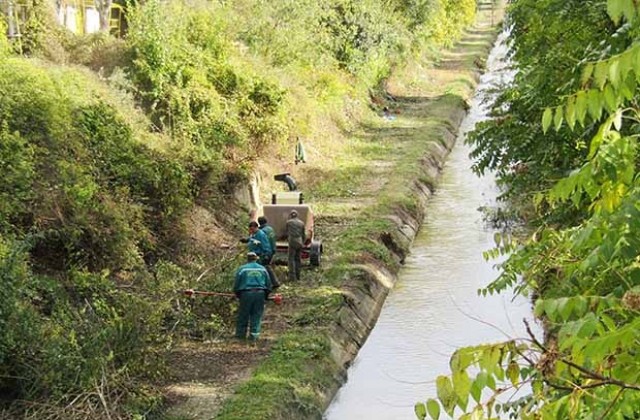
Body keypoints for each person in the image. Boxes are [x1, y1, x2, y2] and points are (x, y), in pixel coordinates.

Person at [233, 252, 272, 340]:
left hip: (246, 294)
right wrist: (266, 295)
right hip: (260, 293)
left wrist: (237, 294)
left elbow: (236, 284)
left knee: (243, 314)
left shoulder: (242, 269)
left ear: (247, 259)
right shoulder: (262, 269)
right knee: (256, 315)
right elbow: (268, 284)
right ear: (256, 258)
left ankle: (240, 335)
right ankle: (254, 336)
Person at [258, 216, 280, 289]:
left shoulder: (262, 231)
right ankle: (273, 282)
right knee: (267, 266)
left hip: (267, 251)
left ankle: (271, 283)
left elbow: (263, 242)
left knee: (265, 266)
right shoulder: (270, 229)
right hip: (272, 249)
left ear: (259, 223)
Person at [286, 210, 305, 281]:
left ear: (291, 215)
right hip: (300, 241)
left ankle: (292, 277)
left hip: (292, 242)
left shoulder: (288, 222)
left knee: (291, 259)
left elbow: (287, 232)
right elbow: (303, 234)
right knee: (298, 259)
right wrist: (303, 242)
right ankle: (298, 275)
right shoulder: (302, 223)